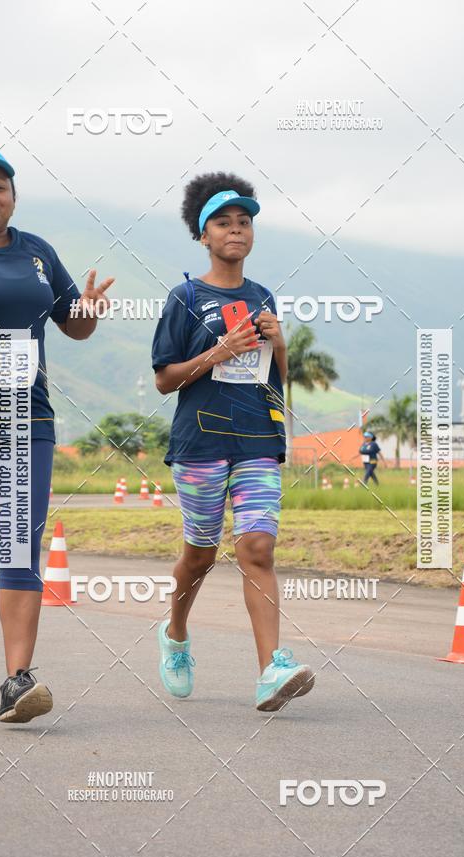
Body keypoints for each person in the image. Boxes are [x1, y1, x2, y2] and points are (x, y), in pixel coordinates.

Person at [0, 146, 114, 722]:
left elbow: (74, 327)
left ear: (13, 198)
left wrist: (87, 310)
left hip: (22, 419)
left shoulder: (37, 253)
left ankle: (17, 680)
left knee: (18, 544)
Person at [151, 172, 315, 712]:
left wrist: (280, 343)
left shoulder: (262, 296)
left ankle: (271, 670)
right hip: (200, 442)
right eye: (223, 222)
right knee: (199, 556)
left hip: (257, 441)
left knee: (258, 549)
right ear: (203, 235)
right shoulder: (185, 297)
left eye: (244, 221)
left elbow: (278, 378)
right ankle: (175, 634)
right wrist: (218, 351)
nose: (236, 229)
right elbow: (165, 379)